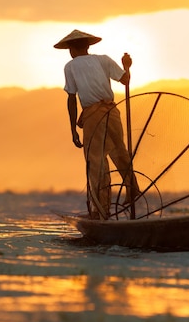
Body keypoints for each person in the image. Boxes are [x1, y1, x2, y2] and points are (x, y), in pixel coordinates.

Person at [54, 29, 140, 220]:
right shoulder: (103, 59)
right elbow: (125, 80)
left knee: (96, 161)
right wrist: (127, 66)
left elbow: (71, 98)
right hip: (112, 111)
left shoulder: (70, 66)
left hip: (93, 114)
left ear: (71, 49)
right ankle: (132, 188)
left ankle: (101, 210)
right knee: (120, 151)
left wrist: (73, 130)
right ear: (88, 46)